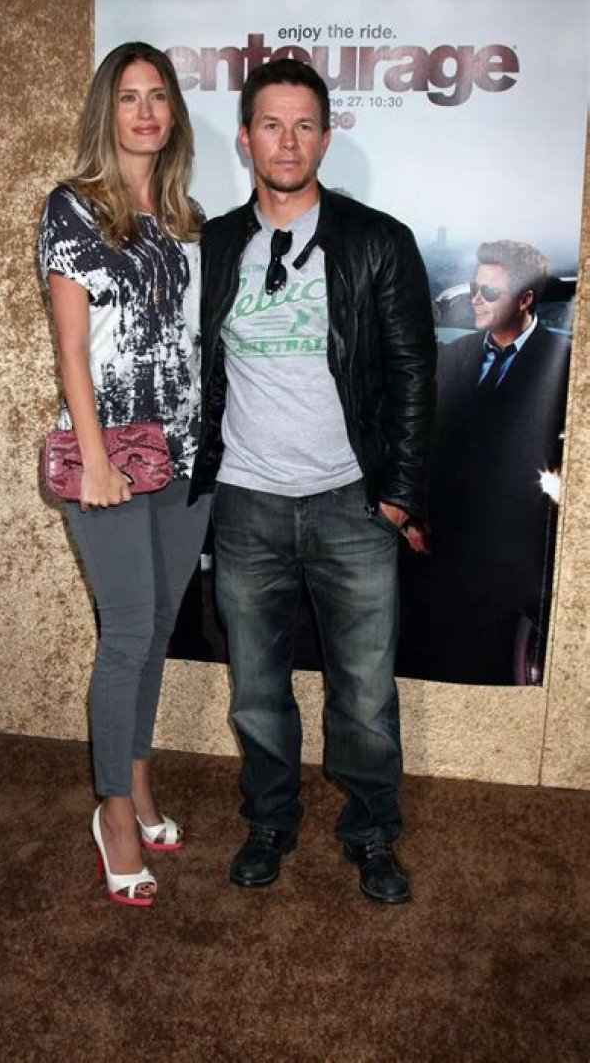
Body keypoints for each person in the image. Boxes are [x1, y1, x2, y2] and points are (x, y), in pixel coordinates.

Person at [189, 58, 436, 904]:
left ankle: (371, 832)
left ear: (327, 138)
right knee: (257, 689)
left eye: (303, 126)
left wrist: (398, 495)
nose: (287, 142)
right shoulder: (217, 245)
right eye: (271, 124)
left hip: (351, 504)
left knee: (363, 694)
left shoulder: (378, 241)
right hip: (247, 502)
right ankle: (269, 820)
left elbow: (413, 376)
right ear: (246, 138)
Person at [38, 42, 210, 907]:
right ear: (107, 110)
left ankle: (137, 781)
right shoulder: (73, 207)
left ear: (174, 112)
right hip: (108, 455)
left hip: (184, 452)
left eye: (158, 96)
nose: (145, 112)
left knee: (159, 625)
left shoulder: (187, 216)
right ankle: (111, 811)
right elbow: (72, 349)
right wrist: (97, 458)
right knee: (129, 629)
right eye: (129, 97)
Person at [398, 241, 571, 685]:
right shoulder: (453, 355)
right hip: (436, 552)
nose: (476, 298)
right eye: (475, 287)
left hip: (511, 566)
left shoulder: (566, 365)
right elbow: (424, 442)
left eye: (490, 292)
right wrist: (413, 515)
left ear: (526, 298)